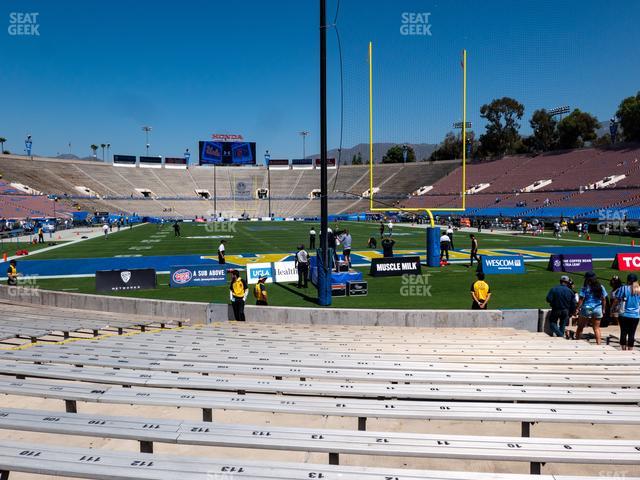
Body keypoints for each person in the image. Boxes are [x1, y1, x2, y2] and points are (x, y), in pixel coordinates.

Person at [575, 271, 607, 345]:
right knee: (596, 328)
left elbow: (581, 299)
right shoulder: (601, 287)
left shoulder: (585, 287)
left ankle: (577, 342)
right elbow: (604, 299)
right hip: (598, 308)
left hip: (588, 307)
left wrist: (577, 309)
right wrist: (603, 309)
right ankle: (599, 344)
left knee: (580, 327)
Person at [612, 273, 640, 351]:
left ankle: (623, 350)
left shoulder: (623, 288)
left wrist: (612, 308)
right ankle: (630, 350)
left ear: (627, 280)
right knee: (632, 333)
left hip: (624, 314)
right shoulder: (638, 289)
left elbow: (616, 300)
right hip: (635, 315)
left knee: (623, 332)